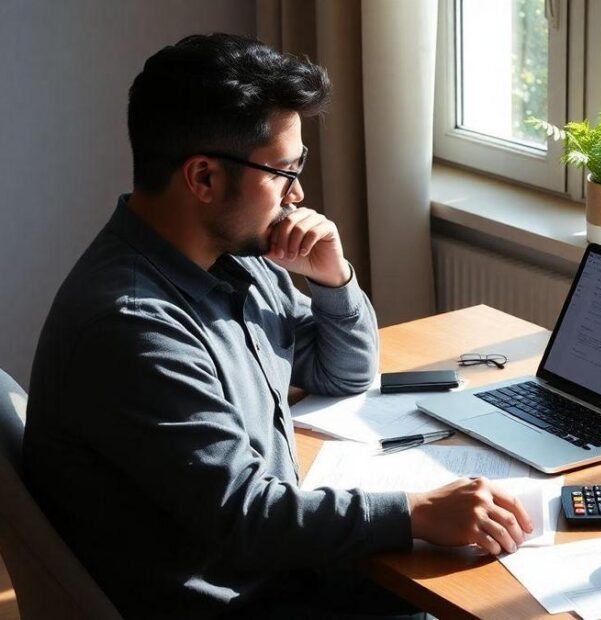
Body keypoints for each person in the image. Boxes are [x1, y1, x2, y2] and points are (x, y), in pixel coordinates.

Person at [23, 33, 532, 619]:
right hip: (239, 597)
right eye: (284, 172)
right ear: (204, 178)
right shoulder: (134, 325)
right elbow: (246, 517)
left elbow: (340, 375)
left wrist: (333, 282)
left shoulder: (235, 260)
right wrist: (415, 512)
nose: (299, 194)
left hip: (273, 569)